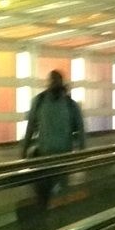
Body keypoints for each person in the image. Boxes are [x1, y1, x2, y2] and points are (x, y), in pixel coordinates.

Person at [21, 68, 84, 203]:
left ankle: (56, 214)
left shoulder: (70, 104)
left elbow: (80, 129)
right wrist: (24, 149)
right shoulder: (39, 101)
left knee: (59, 191)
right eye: (52, 81)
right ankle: (48, 213)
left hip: (63, 158)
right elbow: (31, 127)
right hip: (44, 158)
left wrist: (82, 152)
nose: (54, 85)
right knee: (45, 191)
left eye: (56, 82)